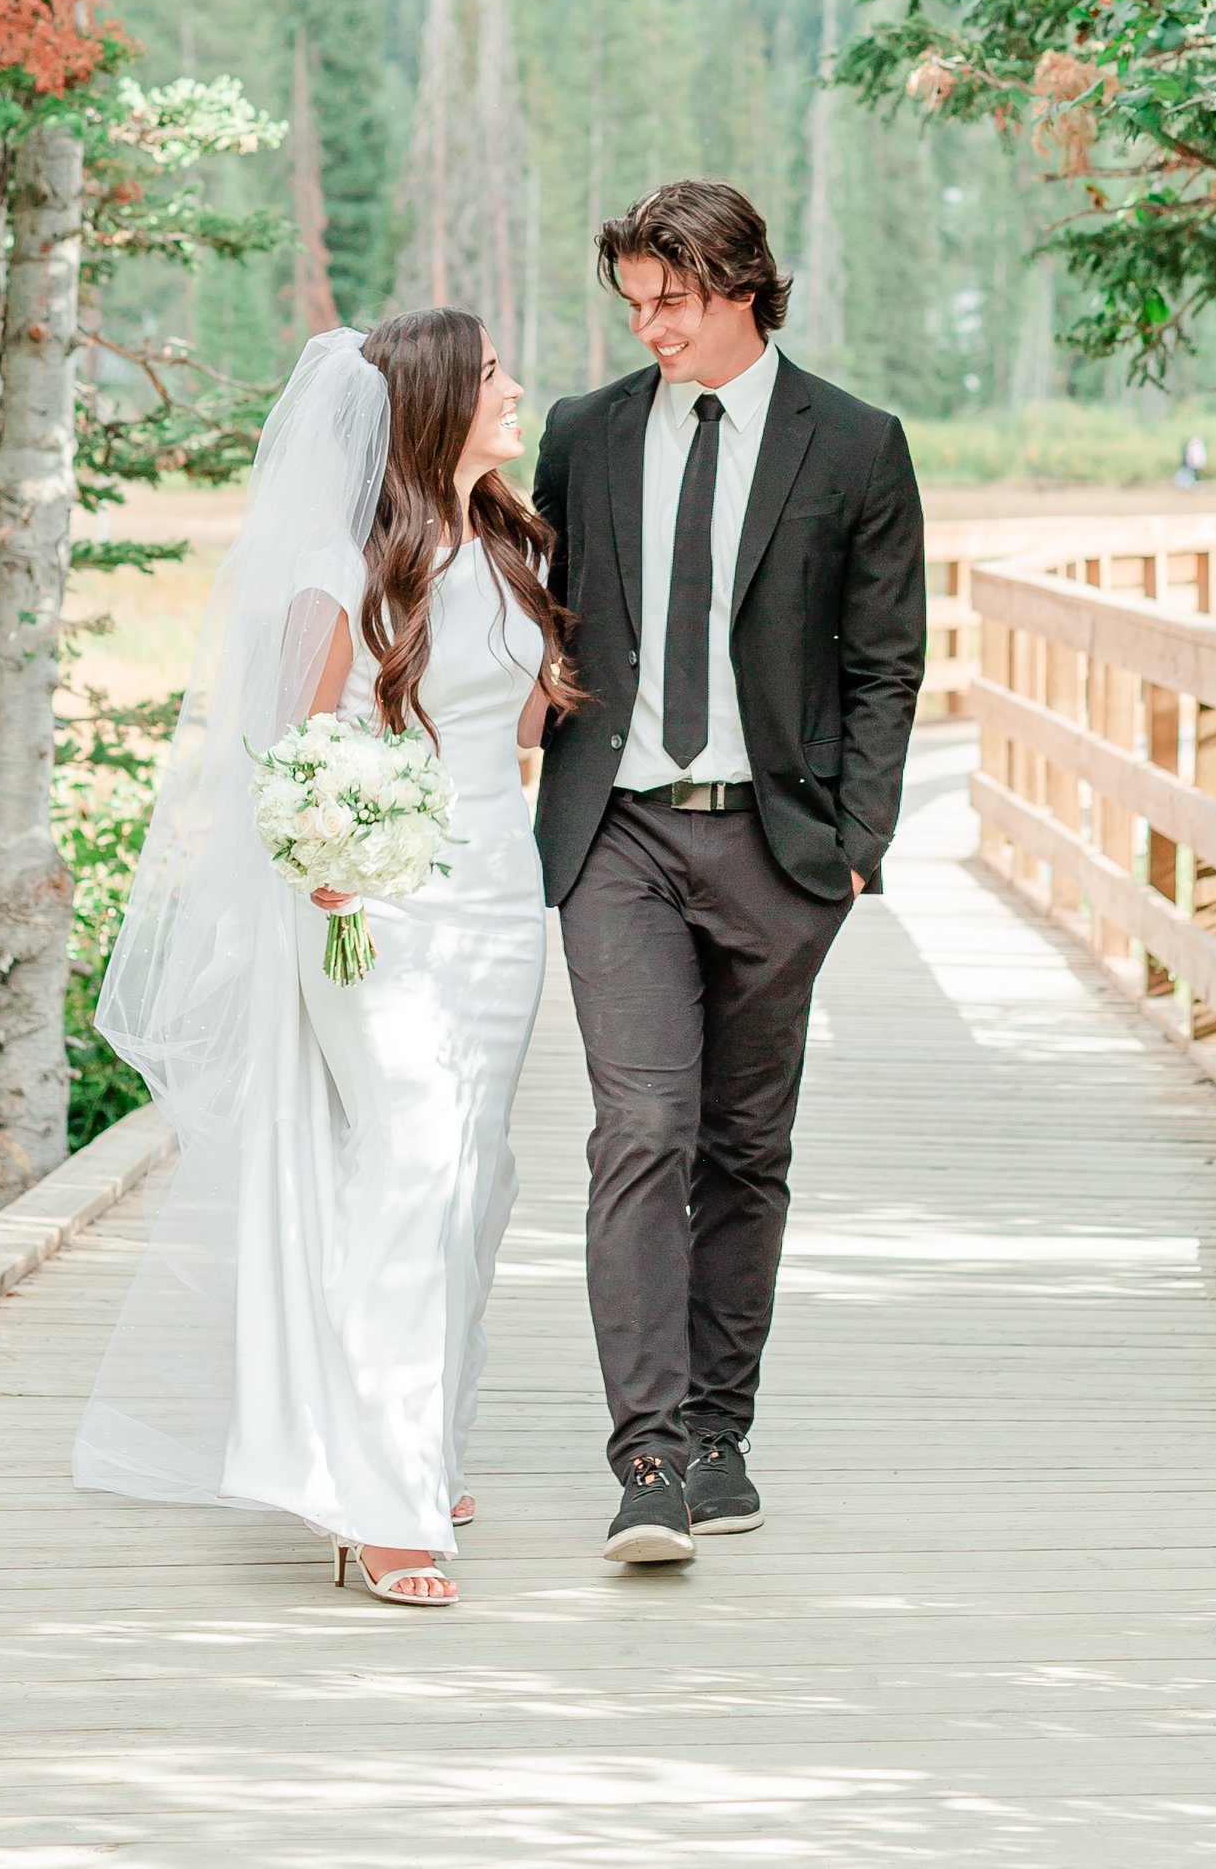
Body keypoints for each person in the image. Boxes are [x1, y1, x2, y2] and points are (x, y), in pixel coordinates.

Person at [74, 311, 579, 1608]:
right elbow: (289, 761)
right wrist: (337, 861)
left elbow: (517, 723)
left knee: (475, 1174)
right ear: (430, 405)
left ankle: (423, 1437)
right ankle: (377, 1497)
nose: (513, 387)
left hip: (498, 898)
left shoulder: (517, 546)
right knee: (410, 1158)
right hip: (370, 905)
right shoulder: (340, 569)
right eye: (488, 376)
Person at [532, 180, 926, 1564]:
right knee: (642, 1129)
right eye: (633, 305)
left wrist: (854, 848)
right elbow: (537, 621)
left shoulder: (858, 446)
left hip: (777, 847)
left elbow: (886, 662)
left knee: (747, 1148)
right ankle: (643, 1454)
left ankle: (716, 1429)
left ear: (742, 285)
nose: (649, 330)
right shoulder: (581, 437)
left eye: (671, 303)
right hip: (618, 837)